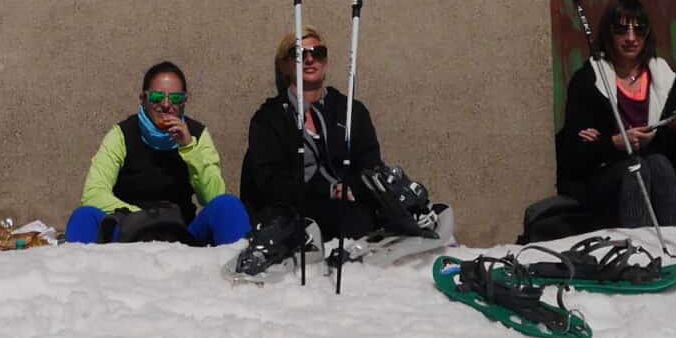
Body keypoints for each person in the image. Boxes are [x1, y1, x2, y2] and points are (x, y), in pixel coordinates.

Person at [238, 29, 446, 273]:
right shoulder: (269, 119)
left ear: (326, 62)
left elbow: (370, 164)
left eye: (318, 52)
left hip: (351, 204)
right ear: (284, 66)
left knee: (378, 208)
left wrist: (351, 188)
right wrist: (327, 189)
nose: (309, 59)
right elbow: (269, 180)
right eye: (298, 54)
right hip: (297, 209)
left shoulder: (350, 111)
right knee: (348, 218)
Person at [65, 61, 252, 246]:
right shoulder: (122, 135)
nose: (166, 105)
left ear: (184, 101)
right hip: (129, 231)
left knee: (228, 206)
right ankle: (76, 274)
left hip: (181, 233)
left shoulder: (197, 135)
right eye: (156, 97)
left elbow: (213, 197)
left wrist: (189, 148)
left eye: (176, 98)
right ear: (143, 99)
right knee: (84, 216)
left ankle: (241, 271)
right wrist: (142, 216)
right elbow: (93, 193)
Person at [554, 0, 676, 232]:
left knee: (657, 163)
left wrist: (670, 134)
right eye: (621, 30)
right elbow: (574, 151)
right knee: (636, 167)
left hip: (657, 171)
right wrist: (614, 143)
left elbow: (675, 143)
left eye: (639, 30)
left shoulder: (665, 77)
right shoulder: (590, 79)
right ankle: (640, 246)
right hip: (604, 176)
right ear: (607, 33)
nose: (631, 38)